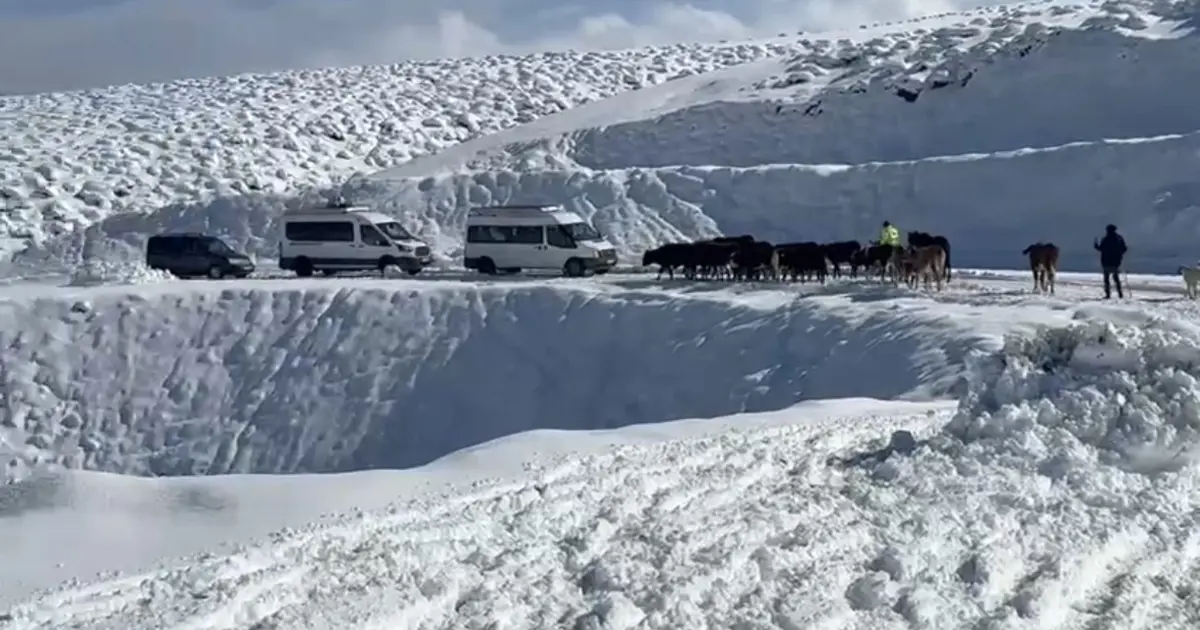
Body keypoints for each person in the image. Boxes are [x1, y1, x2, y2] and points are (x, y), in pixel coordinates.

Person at [1093, 224, 1127, 299]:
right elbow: (1124, 248)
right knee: (1116, 278)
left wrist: (1096, 245)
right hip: (1116, 262)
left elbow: (1101, 249)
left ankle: (1108, 295)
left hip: (1106, 262)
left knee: (1107, 279)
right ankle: (1120, 294)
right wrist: (1119, 255)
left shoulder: (1106, 239)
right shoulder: (1119, 238)